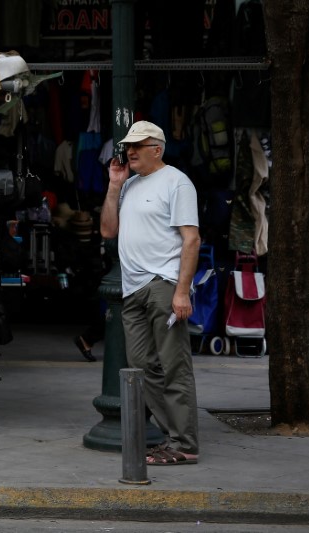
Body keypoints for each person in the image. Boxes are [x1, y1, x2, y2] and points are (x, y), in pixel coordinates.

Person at [100, 120, 201, 466]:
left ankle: (184, 442)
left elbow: (192, 239)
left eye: (137, 146)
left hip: (163, 284)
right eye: (128, 146)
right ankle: (173, 434)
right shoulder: (128, 186)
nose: (129, 151)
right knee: (141, 364)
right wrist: (114, 186)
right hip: (133, 289)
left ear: (156, 149)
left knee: (174, 364)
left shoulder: (176, 182)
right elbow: (108, 230)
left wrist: (182, 291)